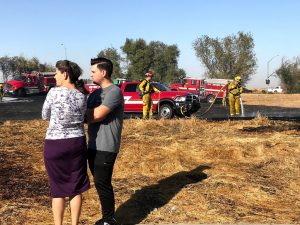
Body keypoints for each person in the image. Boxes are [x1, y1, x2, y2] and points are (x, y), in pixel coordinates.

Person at [42, 60, 90, 225]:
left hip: (55, 144)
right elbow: (83, 117)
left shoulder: (53, 93)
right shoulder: (82, 96)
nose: (54, 76)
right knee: (76, 187)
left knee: (58, 189)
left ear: (65, 74)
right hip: (77, 143)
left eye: (56, 72)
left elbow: (44, 115)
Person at [85, 57, 124, 225]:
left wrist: (73, 115)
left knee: (103, 183)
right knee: (99, 182)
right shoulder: (95, 93)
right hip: (92, 144)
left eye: (93, 71)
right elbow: (87, 113)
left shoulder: (114, 92)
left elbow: (97, 115)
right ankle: (106, 217)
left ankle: (109, 220)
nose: (91, 74)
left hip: (106, 146)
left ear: (103, 72)